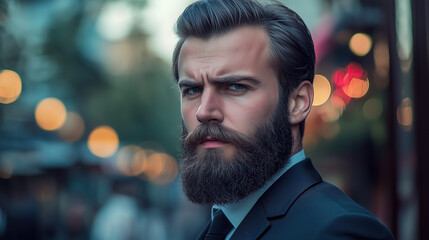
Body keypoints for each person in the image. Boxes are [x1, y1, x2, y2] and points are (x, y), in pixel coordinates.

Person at [172, 0, 394, 239]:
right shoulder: (220, 226)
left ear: (297, 102)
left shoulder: (338, 232)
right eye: (192, 90)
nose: (203, 111)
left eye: (235, 87)